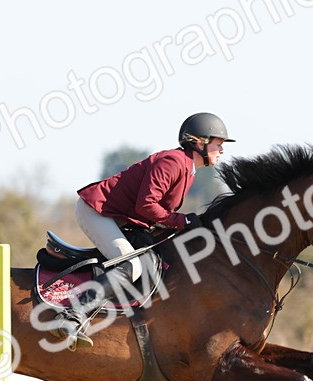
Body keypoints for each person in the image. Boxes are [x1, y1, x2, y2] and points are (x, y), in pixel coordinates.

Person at [54, 112, 236, 349]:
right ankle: (72, 316)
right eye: (218, 144)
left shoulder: (187, 168)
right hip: (96, 211)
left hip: (122, 218)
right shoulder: (173, 162)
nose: (222, 150)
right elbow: (147, 205)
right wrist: (182, 221)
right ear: (199, 142)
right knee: (131, 265)